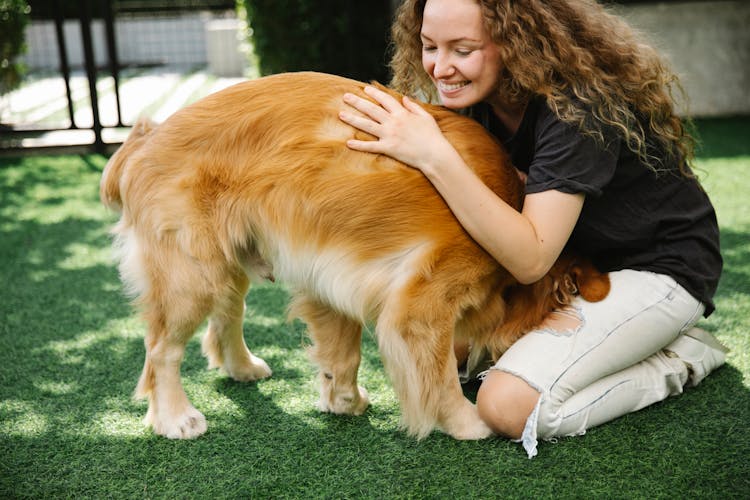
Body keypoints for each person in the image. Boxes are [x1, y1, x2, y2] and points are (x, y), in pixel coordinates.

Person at [338, 0, 727, 458]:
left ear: (515, 42)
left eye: (462, 50)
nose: (440, 68)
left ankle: (682, 357)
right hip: (572, 267)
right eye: (428, 46)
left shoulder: (579, 108)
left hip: (657, 268)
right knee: (443, 350)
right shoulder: (474, 100)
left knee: (508, 406)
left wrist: (433, 154)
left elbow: (530, 259)